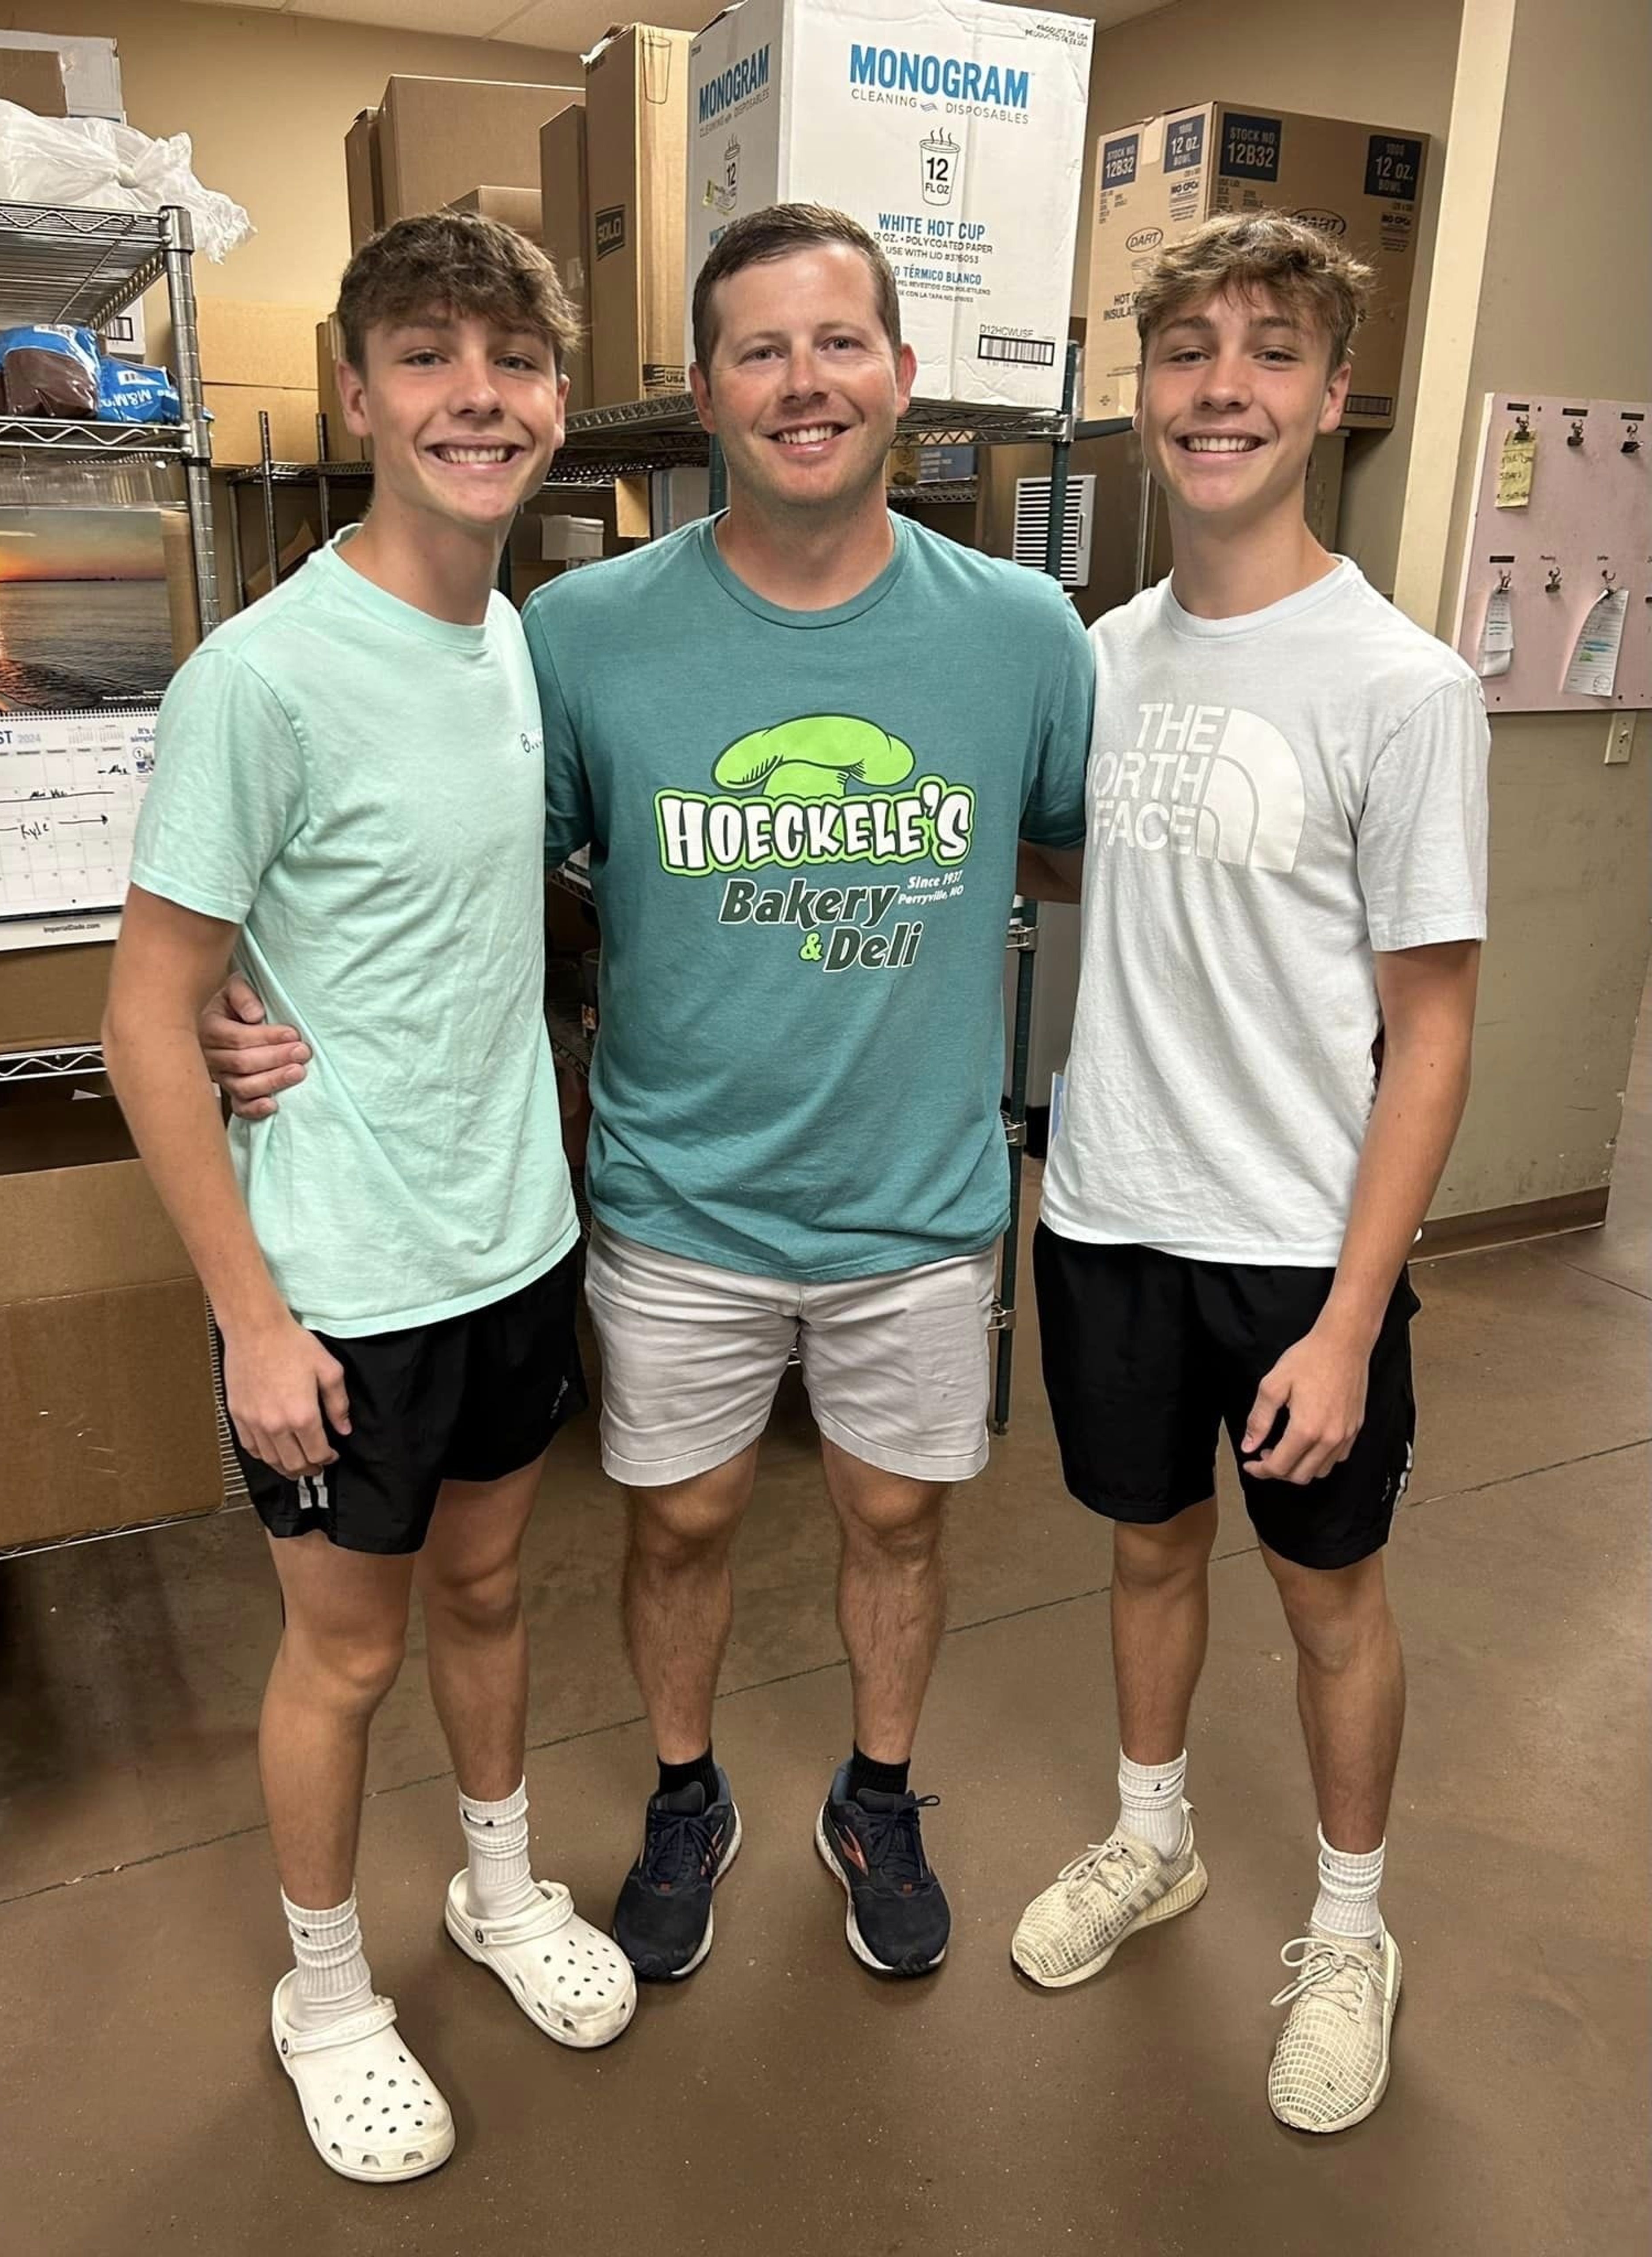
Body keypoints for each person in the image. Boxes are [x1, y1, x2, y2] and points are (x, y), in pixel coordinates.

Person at [204, 203, 1095, 1983]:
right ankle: (687, 1789)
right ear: (703, 391)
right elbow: (470, 873)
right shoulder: (581, 635)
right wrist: (259, 988)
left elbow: (1071, 853)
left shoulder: (1023, 630)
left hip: (917, 1203)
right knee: (679, 1517)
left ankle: (880, 1791)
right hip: (672, 1197)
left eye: (839, 341)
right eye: (758, 350)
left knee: (899, 1513)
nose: (803, 382)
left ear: (904, 375)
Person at [103, 210, 636, 2189]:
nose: (473, 396)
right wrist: (252, 1312)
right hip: (338, 1278)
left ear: (558, 403)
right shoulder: (265, 672)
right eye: (425, 355)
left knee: (495, 1590)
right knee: (343, 1651)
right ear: (354, 391)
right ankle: (326, 1986)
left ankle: (499, 1891)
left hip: (512, 1238)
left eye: (511, 360)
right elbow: (150, 1014)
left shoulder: (510, 632)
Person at [1009, 212, 1489, 2134]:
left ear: (1331, 396)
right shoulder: (1093, 660)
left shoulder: (1402, 682)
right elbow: (1062, 869)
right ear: (1142, 389)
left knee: (1331, 1600)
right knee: (1144, 1549)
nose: (1226, 384)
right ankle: (1156, 1838)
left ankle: (1354, 1925)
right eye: (1191, 347)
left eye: (1272, 351)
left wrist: (1357, 1316)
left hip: (1302, 1246)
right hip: (1109, 1210)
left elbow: (1433, 1026)